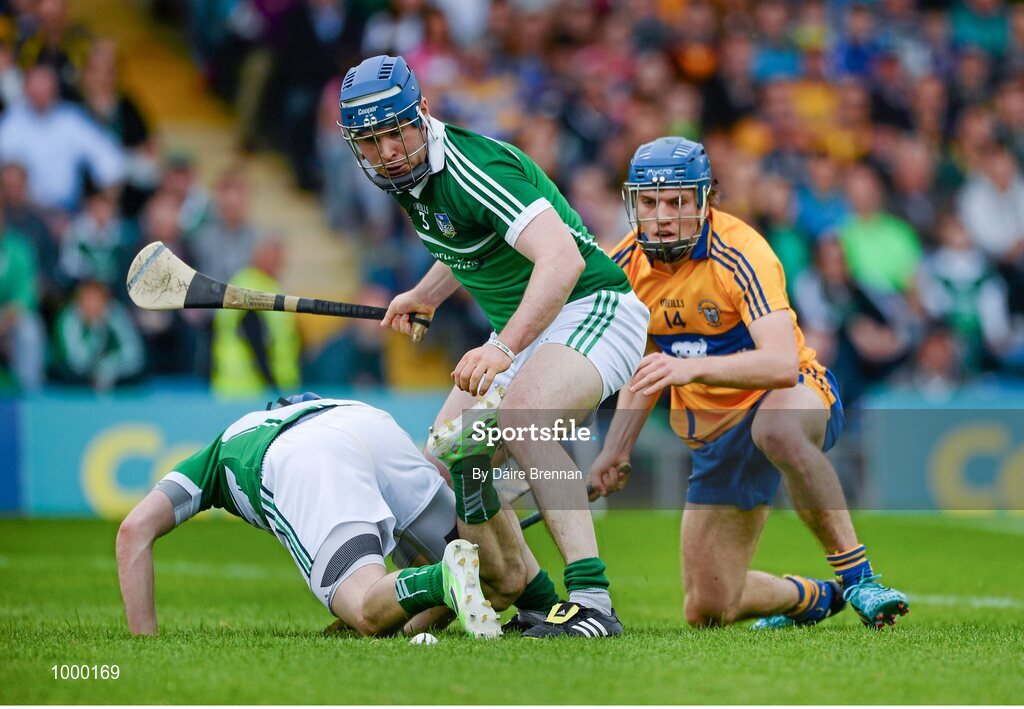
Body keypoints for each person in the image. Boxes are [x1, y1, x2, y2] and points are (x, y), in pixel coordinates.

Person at [337, 55, 651, 638]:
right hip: (529, 329)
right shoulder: (408, 177)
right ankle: (531, 597)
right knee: (441, 462)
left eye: (395, 132)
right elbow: (469, 241)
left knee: (525, 417)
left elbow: (563, 260)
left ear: (422, 114)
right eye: (370, 140)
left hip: (592, 307)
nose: (386, 151)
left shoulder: (471, 167)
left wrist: (502, 350)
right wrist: (426, 294)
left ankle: (593, 602)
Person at [591, 136, 910, 630]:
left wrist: (689, 368)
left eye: (676, 202)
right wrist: (615, 451)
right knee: (708, 609)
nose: (662, 216)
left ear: (704, 200)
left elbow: (781, 363)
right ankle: (807, 598)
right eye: (651, 202)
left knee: (776, 429)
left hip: (786, 395)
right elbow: (645, 371)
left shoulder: (742, 251)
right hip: (717, 434)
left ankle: (860, 578)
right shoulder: (624, 267)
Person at [116, 394, 503, 639]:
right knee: (496, 576)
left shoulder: (223, 447)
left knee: (366, 606)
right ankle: (545, 606)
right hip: (367, 423)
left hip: (299, 459)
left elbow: (134, 530)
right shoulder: (324, 403)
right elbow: (410, 550)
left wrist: (144, 640)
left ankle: (442, 576)